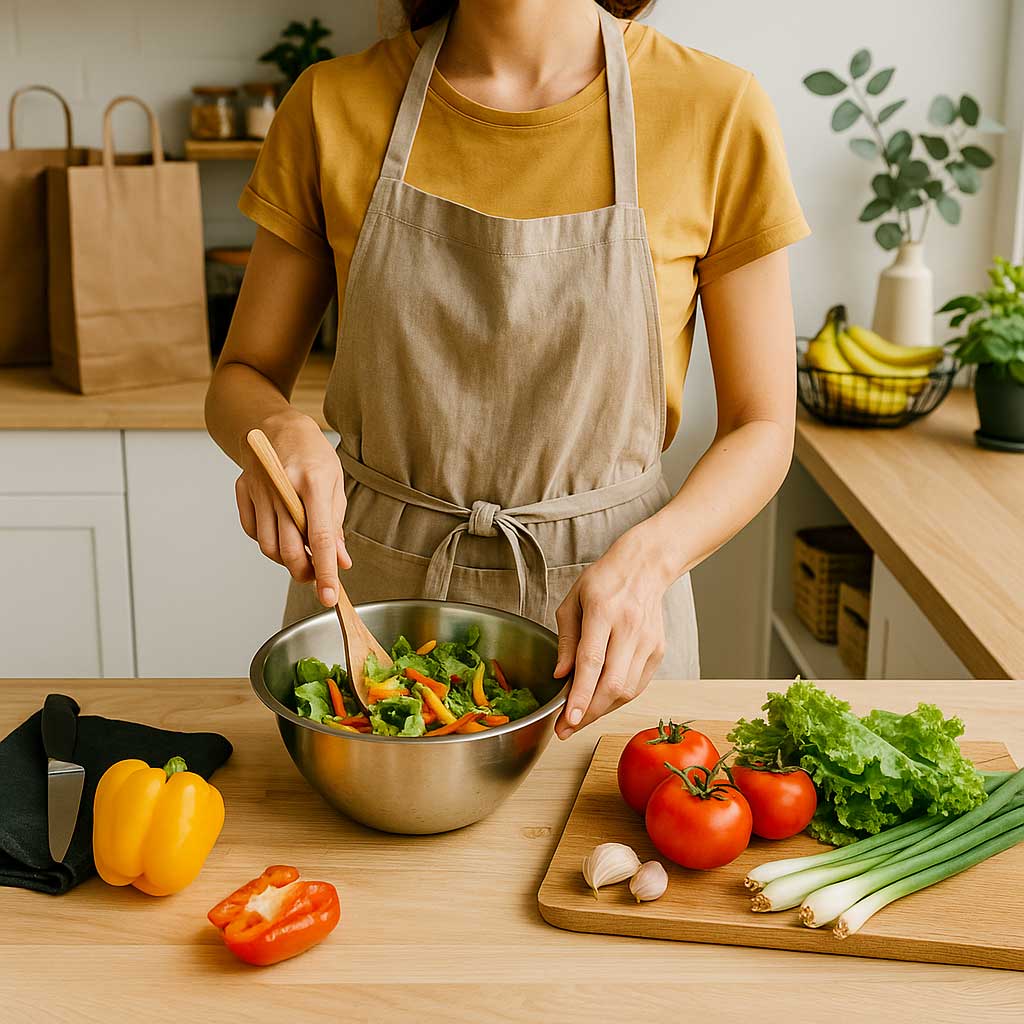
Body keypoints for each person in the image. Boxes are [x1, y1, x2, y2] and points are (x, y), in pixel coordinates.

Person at [205, 0, 809, 740]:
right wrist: (276, 430)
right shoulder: (330, 105)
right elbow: (241, 374)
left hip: (610, 629)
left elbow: (764, 426)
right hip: (367, 610)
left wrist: (653, 559)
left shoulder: (715, 109)